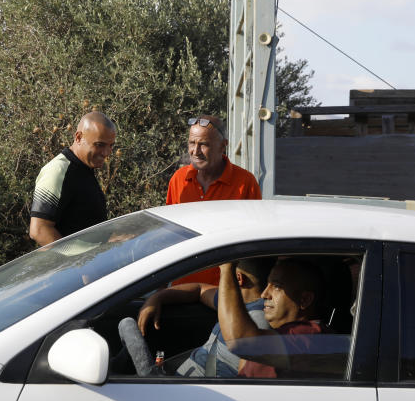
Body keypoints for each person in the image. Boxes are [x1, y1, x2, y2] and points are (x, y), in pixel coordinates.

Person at [118, 258, 274, 377]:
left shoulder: (257, 322)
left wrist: (226, 269)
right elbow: (200, 290)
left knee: (127, 329)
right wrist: (157, 298)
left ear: (238, 279)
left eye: (222, 274)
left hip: (189, 395)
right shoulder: (234, 303)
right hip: (181, 381)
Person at [167, 115, 261, 285]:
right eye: (191, 143)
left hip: (225, 291)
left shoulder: (245, 182)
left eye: (203, 144)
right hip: (182, 287)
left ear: (223, 146)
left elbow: (255, 240)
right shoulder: (178, 179)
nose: (195, 152)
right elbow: (169, 235)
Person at [217, 258, 326, 378]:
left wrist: (226, 268)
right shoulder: (277, 337)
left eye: (277, 287)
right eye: (267, 285)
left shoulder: (308, 337)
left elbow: (239, 342)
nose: (264, 294)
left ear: (305, 299)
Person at [29, 111, 116, 246]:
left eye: (111, 146)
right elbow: (39, 230)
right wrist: (78, 262)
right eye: (99, 145)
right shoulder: (58, 171)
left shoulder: (84, 168)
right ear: (79, 137)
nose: (106, 153)